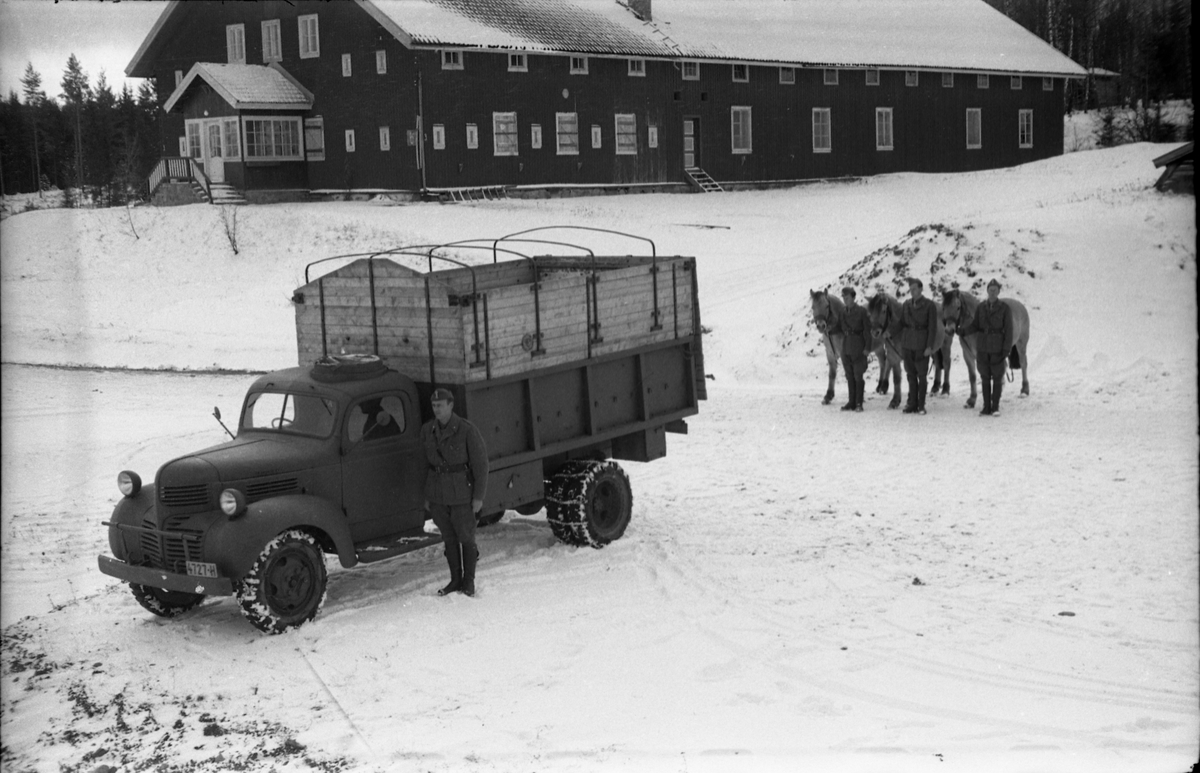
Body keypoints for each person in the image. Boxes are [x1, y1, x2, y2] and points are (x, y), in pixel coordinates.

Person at [421, 388, 489, 597]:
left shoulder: (466, 430)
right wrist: (426, 496)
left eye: (440, 406)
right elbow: (423, 464)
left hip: (461, 494)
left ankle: (468, 582)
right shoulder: (427, 430)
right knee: (449, 538)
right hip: (438, 495)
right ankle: (455, 580)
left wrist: (478, 497)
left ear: (451, 405)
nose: (437, 410)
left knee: (466, 538)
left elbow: (481, 465)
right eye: (434, 406)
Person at [960, 279, 1014, 416]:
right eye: (991, 290)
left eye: (995, 290)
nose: (992, 293)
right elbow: (975, 325)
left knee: (997, 377)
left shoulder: (1004, 308)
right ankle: (986, 407)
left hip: (997, 347)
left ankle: (995, 407)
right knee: (984, 377)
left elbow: (1009, 330)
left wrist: (1006, 349)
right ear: (987, 291)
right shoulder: (981, 308)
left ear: (998, 292)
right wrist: (963, 331)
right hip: (983, 347)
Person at [895, 277, 939, 415]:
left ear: (920, 289)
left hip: (921, 345)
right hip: (907, 344)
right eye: (911, 289)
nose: (912, 291)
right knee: (910, 375)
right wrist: (889, 332)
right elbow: (901, 323)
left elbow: (932, 328)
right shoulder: (906, 304)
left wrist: (929, 347)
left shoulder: (929, 305)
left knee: (922, 376)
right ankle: (912, 404)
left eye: (914, 288)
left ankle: (921, 405)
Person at [839, 287, 870, 412]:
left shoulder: (862, 311)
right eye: (844, 298)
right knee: (849, 376)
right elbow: (839, 327)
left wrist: (867, 348)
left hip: (858, 347)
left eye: (847, 298)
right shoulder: (842, 313)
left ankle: (859, 403)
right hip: (846, 347)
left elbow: (867, 331)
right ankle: (851, 402)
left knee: (858, 376)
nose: (845, 300)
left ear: (853, 297)